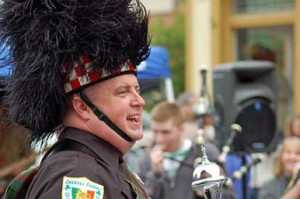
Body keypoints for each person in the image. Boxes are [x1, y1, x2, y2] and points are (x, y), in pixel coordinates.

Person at [0, 0, 151, 198]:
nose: (139, 101)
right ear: (82, 107)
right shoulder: (80, 175)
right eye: (122, 92)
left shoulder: (95, 167)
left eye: (137, 90)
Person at [138, 101, 236, 199]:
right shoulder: (146, 160)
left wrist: (211, 192)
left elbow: (230, 195)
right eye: (155, 131)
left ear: (181, 129)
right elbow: (141, 196)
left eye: (166, 132)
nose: (159, 139)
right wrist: (155, 175)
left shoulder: (205, 153)